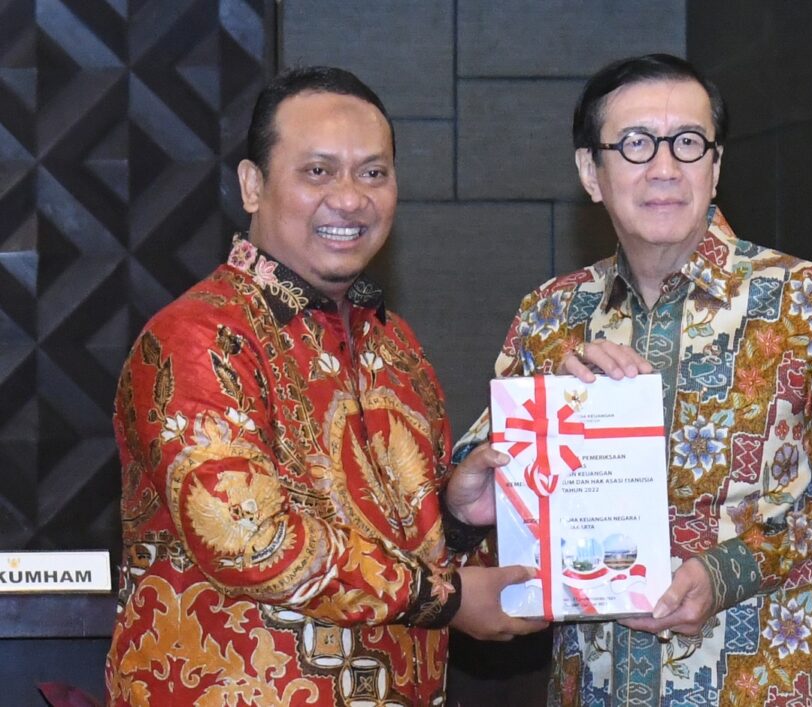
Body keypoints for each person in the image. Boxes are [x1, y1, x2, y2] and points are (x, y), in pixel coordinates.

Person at [454, 53, 812, 705]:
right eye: (636, 144)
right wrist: (468, 499)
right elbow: (482, 515)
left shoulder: (805, 301)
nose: (665, 167)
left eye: (689, 143)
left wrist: (731, 571)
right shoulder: (551, 316)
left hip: (759, 688)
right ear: (590, 172)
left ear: (716, 166)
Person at [104, 65, 546, 706]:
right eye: (318, 171)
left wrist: (456, 519)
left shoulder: (397, 348)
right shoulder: (197, 339)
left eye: (373, 173)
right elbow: (250, 540)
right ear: (252, 185)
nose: (350, 198)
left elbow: (403, 551)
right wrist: (445, 599)